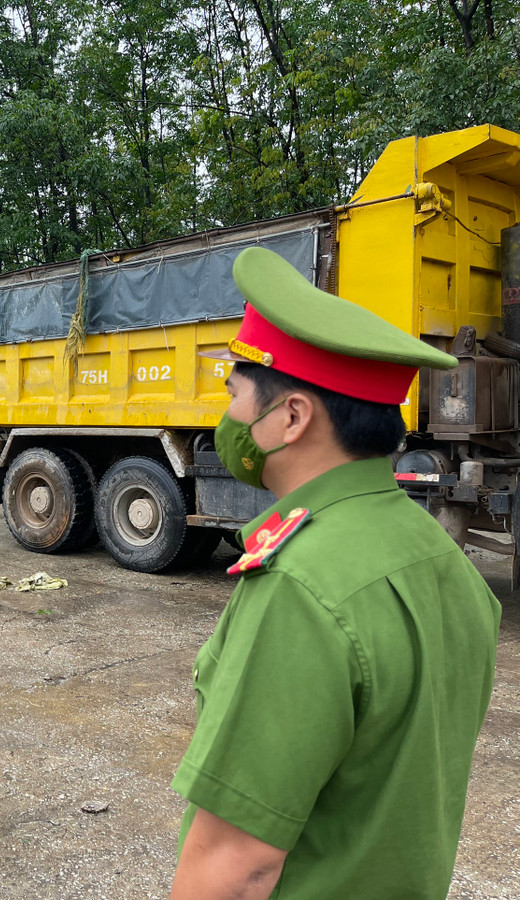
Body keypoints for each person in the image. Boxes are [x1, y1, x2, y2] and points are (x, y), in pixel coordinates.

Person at [169, 247, 501, 900]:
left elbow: (236, 865)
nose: (228, 417)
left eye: (235, 394)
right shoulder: (443, 559)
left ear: (290, 417)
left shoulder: (301, 585)